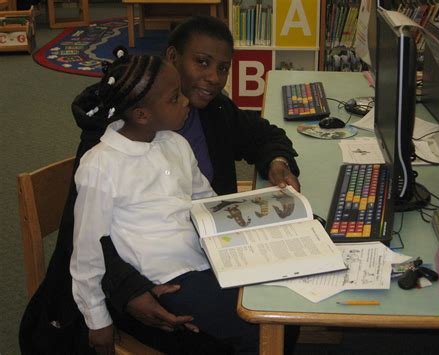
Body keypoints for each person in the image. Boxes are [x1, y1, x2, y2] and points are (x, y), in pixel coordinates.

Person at [19, 15, 300, 355]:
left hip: (199, 254)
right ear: (172, 58)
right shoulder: (102, 155)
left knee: (289, 276)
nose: (213, 78)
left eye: (223, 68)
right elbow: (84, 247)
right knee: (263, 318)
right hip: (137, 288)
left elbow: (212, 192)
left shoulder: (203, 117)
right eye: (201, 62)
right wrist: (127, 292)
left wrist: (276, 168)